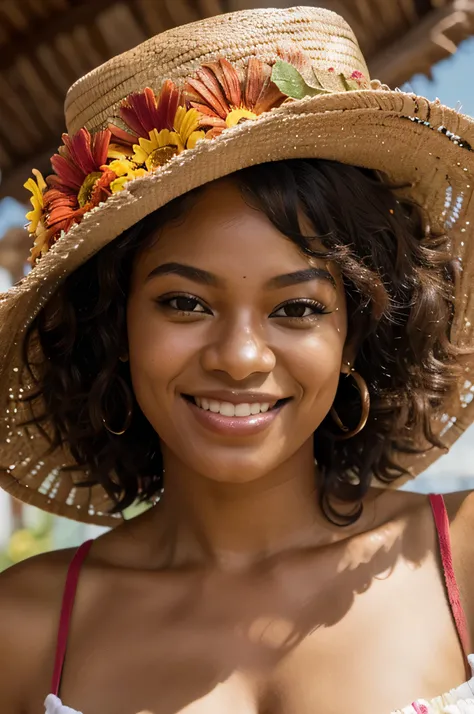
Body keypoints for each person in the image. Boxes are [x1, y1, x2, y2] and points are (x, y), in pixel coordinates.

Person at [0, 6, 473, 714]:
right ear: (112, 326)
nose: (241, 358)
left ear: (358, 333)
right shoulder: (23, 628)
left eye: (298, 308)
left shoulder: (461, 563)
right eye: (185, 304)